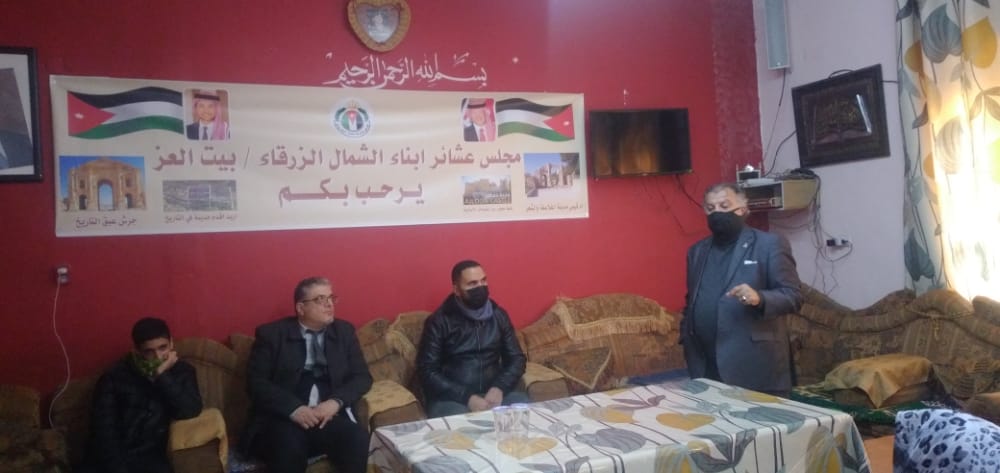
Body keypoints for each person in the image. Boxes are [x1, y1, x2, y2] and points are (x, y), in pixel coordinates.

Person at [679, 182, 803, 397]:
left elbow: (793, 295)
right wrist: (685, 334)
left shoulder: (769, 244)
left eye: (724, 206)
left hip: (754, 364)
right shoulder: (697, 251)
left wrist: (760, 298)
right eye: (710, 208)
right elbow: (692, 300)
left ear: (743, 208)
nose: (717, 213)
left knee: (761, 419)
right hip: (705, 364)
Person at [242, 277, 371, 473]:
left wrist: (335, 402)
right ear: (301, 308)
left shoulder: (344, 332)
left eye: (331, 298)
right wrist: (293, 409)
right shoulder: (272, 335)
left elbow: (362, 377)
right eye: (320, 299)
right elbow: (255, 383)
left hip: (327, 416)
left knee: (359, 439)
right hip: (284, 417)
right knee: (288, 449)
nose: (329, 304)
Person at [84, 317, 202, 473]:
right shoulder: (114, 377)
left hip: (151, 457)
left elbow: (190, 410)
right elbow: (103, 431)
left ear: (171, 343)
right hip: (110, 457)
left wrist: (162, 376)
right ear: (137, 351)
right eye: (149, 351)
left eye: (163, 348)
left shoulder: (183, 372)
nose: (158, 357)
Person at [417, 260, 528, 418]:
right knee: (463, 424)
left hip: (494, 393)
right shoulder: (439, 321)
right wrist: (467, 397)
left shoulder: (499, 315)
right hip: (452, 399)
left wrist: (500, 387)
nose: (480, 287)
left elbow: (517, 359)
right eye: (472, 283)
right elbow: (427, 371)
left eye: (483, 281)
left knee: (523, 410)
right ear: (457, 290)